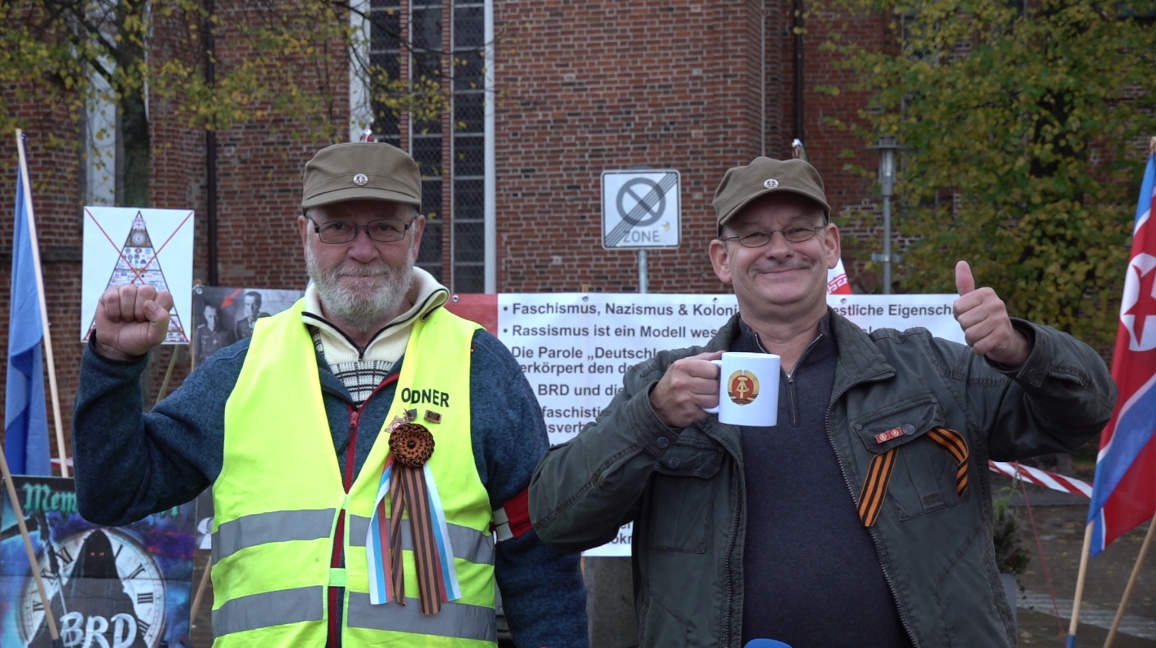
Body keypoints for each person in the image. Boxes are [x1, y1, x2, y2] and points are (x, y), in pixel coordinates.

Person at [528, 157, 1116, 648]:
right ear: (720, 260)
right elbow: (556, 519)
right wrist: (649, 416)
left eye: (799, 230)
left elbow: (1084, 414)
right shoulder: (666, 386)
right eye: (754, 235)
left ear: (829, 245)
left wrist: (1021, 348)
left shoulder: (928, 370)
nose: (779, 249)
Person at [73, 142, 588, 648]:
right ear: (305, 234)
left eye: (384, 226)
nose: (361, 250)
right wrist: (113, 366)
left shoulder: (482, 369)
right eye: (337, 226)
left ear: (416, 236)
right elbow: (111, 494)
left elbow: (540, 562)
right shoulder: (241, 369)